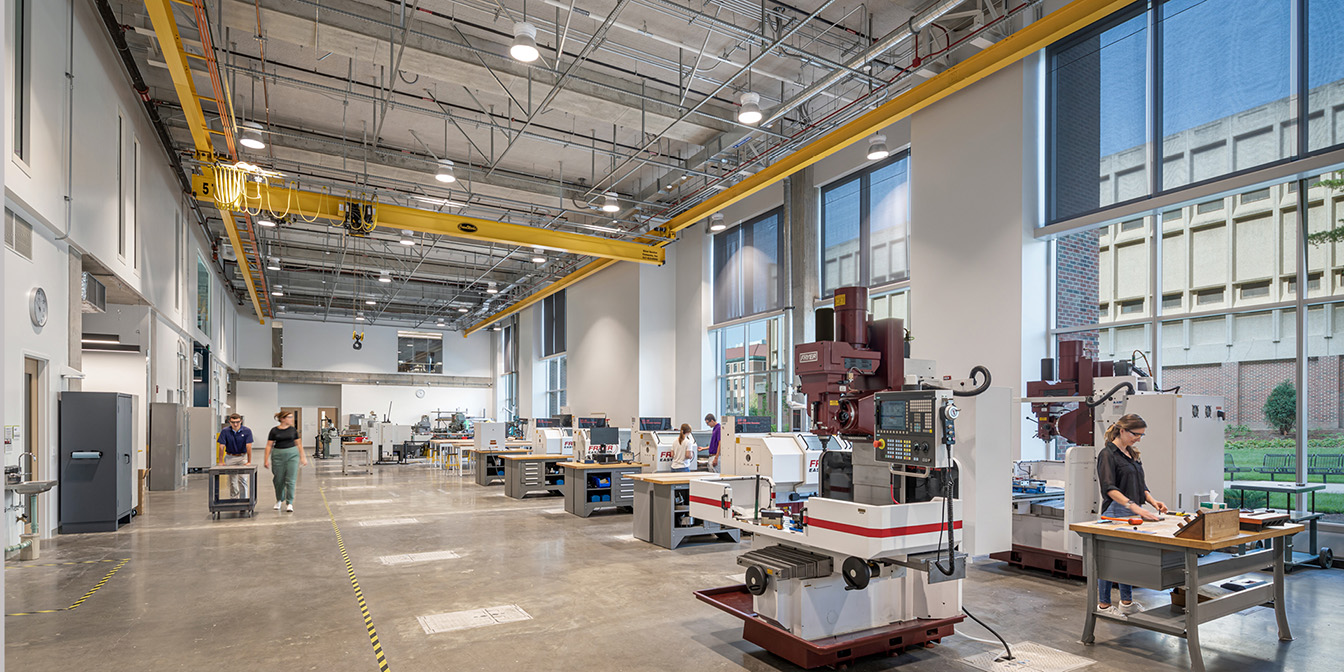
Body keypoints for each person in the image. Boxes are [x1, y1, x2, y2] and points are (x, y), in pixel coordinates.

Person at [1095, 413, 1167, 616]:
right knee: (1109, 560)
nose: (1139, 438)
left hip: (1132, 511)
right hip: (1115, 512)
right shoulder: (1107, 454)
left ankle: (1126, 602)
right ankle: (1103, 606)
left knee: (1125, 559)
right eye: (1136, 434)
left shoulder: (1132, 454)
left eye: (1142, 435)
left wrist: (1153, 502)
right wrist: (1134, 507)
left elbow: (1140, 484)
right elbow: (1109, 488)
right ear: (1122, 431)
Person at [265, 411, 308, 512]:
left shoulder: (293, 430)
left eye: (292, 417)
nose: (291, 419)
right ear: (282, 419)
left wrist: (303, 457)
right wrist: (266, 459)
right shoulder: (274, 431)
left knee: (291, 480)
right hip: (278, 456)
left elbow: (299, 444)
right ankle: (279, 499)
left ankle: (290, 503)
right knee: (278, 480)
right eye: (289, 417)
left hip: (292, 455)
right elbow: (268, 445)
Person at [216, 414, 253, 499]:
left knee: (243, 479)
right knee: (232, 481)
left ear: (241, 421)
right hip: (230, 457)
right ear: (229, 422)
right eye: (233, 422)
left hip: (242, 457)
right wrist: (221, 461)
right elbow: (221, 446)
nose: (235, 424)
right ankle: (234, 499)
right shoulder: (225, 431)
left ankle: (244, 500)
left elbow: (249, 446)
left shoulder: (247, 431)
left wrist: (249, 461)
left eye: (237, 422)